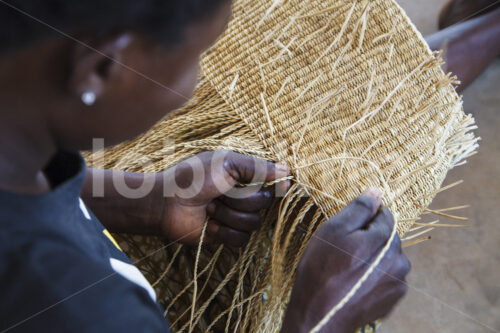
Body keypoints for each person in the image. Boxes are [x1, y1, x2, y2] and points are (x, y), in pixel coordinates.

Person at [8, 0, 498, 331]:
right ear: (100, 69)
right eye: (195, 56)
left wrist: (137, 199)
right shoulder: (83, 309)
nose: (195, 78)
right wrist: (320, 315)